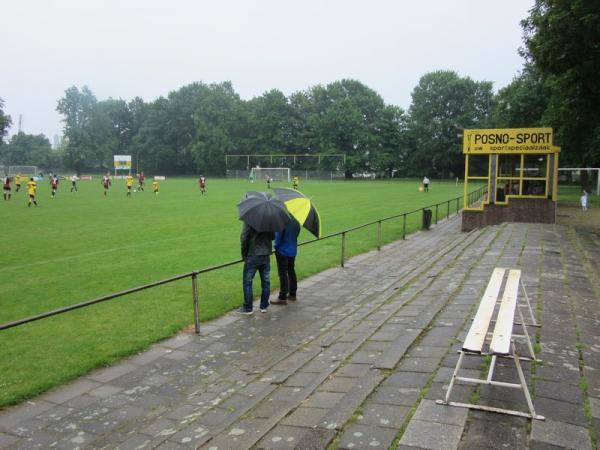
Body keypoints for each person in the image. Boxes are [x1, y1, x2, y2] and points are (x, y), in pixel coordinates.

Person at [239, 223, 274, 314]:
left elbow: (244, 237)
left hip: (253, 255)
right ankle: (264, 306)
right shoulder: (269, 220)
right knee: (266, 281)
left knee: (247, 282)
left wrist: (244, 254)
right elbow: (272, 236)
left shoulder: (249, 220)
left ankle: (248, 308)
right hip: (265, 254)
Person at [271, 220, 301, 305]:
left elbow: (278, 238)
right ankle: (292, 294)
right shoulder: (296, 221)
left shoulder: (281, 221)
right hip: (292, 249)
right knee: (291, 270)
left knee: (282, 273)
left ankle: (282, 297)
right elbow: (297, 233)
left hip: (282, 251)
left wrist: (276, 246)